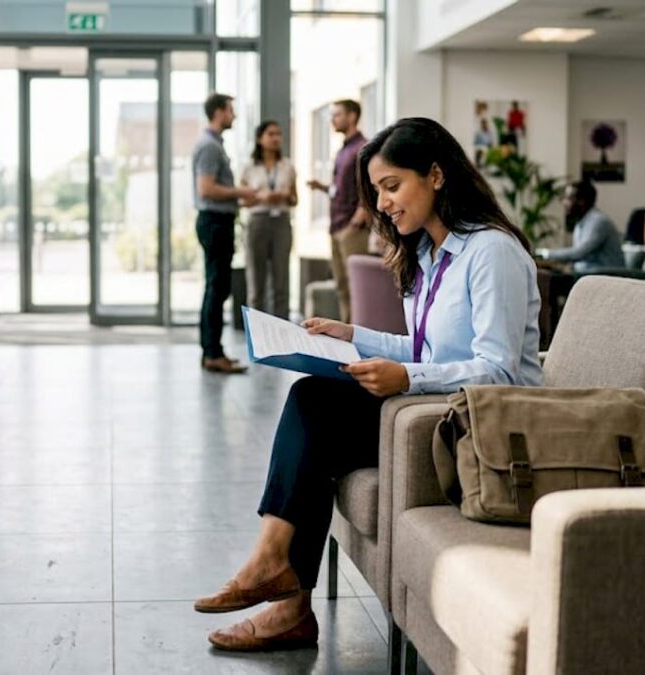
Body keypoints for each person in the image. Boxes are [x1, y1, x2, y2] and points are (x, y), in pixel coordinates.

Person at [194, 117, 542, 652]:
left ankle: (277, 577)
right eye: (377, 191)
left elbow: (497, 369)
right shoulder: (427, 255)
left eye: (391, 186)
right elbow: (427, 350)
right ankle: (281, 587)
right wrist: (352, 335)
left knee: (315, 410)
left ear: (436, 176)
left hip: (481, 425)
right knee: (313, 402)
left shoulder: (490, 252)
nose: (382, 204)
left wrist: (405, 377)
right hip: (437, 408)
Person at [193, 93, 257, 374]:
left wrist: (238, 199)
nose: (234, 115)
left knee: (217, 287)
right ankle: (212, 353)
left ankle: (213, 350)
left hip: (219, 220)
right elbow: (206, 189)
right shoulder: (209, 147)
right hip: (215, 223)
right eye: (231, 110)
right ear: (219, 112)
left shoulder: (214, 145)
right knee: (216, 288)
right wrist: (241, 192)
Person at [307, 100, 369, 323]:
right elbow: (341, 189)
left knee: (356, 289)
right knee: (342, 287)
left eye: (337, 114)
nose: (332, 119)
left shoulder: (362, 147)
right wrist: (322, 187)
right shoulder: (344, 149)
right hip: (337, 225)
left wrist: (362, 212)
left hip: (352, 228)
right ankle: (346, 339)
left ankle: (358, 340)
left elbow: (369, 184)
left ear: (352, 117)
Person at [240, 120, 297, 319]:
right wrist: (260, 197)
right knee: (256, 283)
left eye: (278, 134)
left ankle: (281, 333)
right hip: (258, 222)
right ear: (259, 138)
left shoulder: (287, 166)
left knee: (281, 281)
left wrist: (283, 196)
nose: (275, 138)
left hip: (281, 221)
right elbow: (242, 201)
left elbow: (294, 199)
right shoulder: (249, 167)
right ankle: (256, 335)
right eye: (270, 134)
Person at [537, 180, 624, 272]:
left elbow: (580, 252)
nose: (564, 203)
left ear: (581, 201)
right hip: (586, 274)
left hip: (604, 276)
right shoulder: (581, 222)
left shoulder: (598, 221)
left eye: (568, 198)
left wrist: (545, 254)